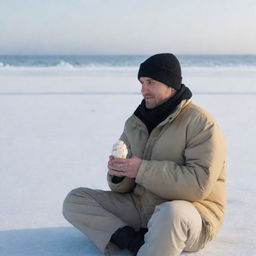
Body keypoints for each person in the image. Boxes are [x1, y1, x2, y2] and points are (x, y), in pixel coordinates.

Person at [63, 53, 226, 256]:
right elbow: (122, 188)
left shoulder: (201, 123)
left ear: (171, 85)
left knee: (171, 213)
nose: (143, 90)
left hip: (192, 214)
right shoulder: (135, 122)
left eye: (151, 82)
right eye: (141, 82)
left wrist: (141, 169)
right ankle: (133, 241)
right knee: (76, 199)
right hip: (142, 207)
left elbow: (198, 186)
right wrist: (119, 174)